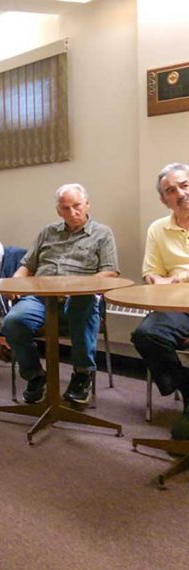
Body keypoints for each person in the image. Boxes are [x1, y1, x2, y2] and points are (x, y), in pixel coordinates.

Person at [1, 183, 119, 405]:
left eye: (77, 206)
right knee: (13, 322)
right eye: (66, 208)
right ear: (58, 211)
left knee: (81, 305)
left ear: (87, 205)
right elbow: (27, 265)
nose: (72, 212)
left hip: (79, 298)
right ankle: (35, 376)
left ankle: (83, 375)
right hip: (41, 298)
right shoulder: (47, 232)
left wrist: (81, 286)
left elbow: (110, 271)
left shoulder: (102, 234)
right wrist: (17, 281)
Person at [132, 163, 189, 440]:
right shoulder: (157, 229)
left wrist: (182, 274)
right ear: (163, 199)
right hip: (177, 307)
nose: (180, 193)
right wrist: (159, 280)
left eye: (185, 185)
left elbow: (176, 276)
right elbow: (152, 273)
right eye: (171, 190)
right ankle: (187, 390)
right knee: (146, 334)